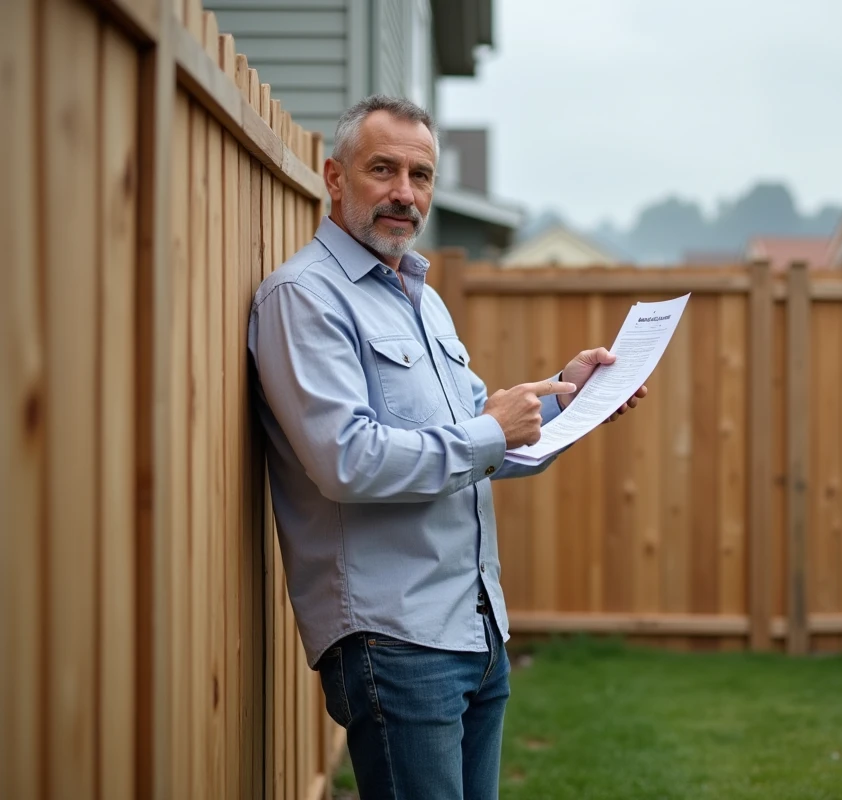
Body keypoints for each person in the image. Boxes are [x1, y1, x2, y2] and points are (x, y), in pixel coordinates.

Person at [247, 95, 646, 800]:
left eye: (421, 175)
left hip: (475, 627)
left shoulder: (421, 298)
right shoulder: (303, 298)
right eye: (384, 170)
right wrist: (491, 429)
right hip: (394, 641)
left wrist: (568, 397)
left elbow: (480, 443)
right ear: (335, 179)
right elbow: (346, 459)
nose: (406, 193)